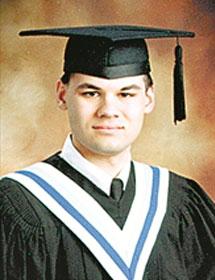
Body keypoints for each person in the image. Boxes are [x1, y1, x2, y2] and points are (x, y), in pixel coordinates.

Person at [0, 25, 214, 280]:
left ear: (148, 99)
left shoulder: (180, 201)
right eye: (91, 93)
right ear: (62, 94)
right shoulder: (17, 204)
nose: (108, 110)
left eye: (126, 93)